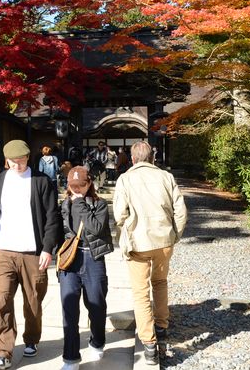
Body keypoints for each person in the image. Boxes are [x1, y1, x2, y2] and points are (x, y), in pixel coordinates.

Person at [0, 139, 62, 370]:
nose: (18, 165)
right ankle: (3, 351)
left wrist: (47, 248)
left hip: (32, 252)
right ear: (6, 160)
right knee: (2, 299)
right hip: (3, 250)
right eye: (14, 161)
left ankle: (32, 339)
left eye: (22, 160)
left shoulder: (41, 181)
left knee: (33, 301)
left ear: (28, 158)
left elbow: (52, 217)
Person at [113, 141, 187, 365]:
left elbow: (118, 214)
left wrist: (125, 230)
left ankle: (149, 344)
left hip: (138, 242)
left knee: (141, 292)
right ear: (152, 157)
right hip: (163, 239)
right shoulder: (167, 177)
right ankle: (162, 327)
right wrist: (175, 235)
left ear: (133, 159)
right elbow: (181, 211)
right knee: (161, 283)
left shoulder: (125, 179)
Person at [58, 166, 113, 370]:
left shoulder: (99, 204)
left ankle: (97, 341)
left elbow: (96, 228)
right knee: (69, 309)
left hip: (93, 258)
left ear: (89, 183)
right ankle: (70, 358)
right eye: (73, 186)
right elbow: (60, 231)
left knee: (96, 306)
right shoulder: (64, 205)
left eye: (81, 185)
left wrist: (80, 203)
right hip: (70, 261)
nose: (77, 189)